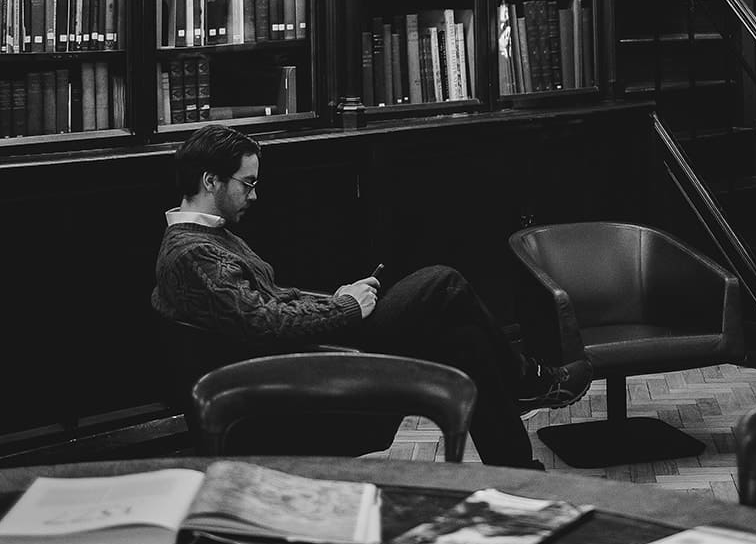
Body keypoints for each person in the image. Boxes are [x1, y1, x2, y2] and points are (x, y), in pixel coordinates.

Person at [152, 124, 592, 468]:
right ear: (211, 181)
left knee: (465, 342)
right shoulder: (194, 254)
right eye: (247, 183)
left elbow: (271, 303)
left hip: (313, 350)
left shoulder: (208, 239)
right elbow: (267, 324)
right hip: (313, 368)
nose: (254, 194)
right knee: (443, 281)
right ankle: (527, 381)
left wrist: (336, 298)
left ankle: (518, 471)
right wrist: (346, 307)